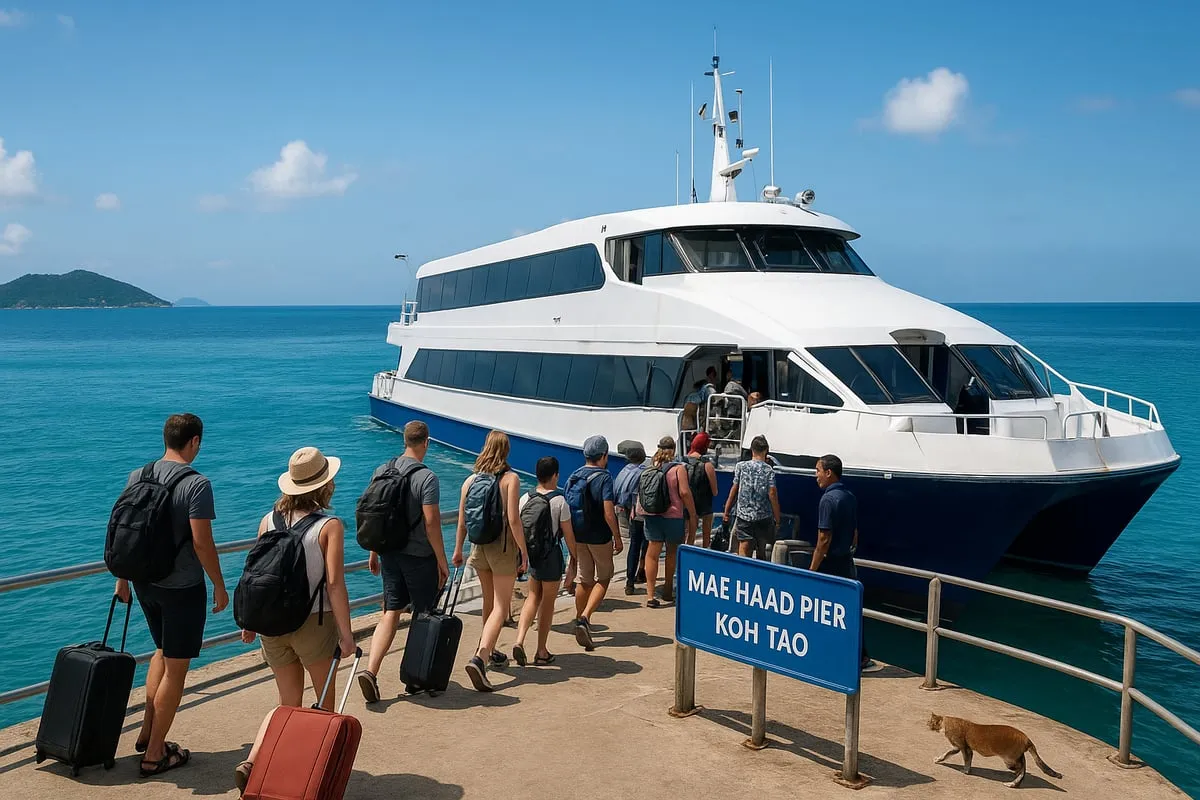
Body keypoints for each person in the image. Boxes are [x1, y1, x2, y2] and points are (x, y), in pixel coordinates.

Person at [114, 413, 227, 779]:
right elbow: (201, 542)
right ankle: (155, 754)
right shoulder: (197, 484)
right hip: (181, 588)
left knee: (160, 651)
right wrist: (219, 585)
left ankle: (148, 732)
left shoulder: (138, 475)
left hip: (145, 583)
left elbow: (123, 531)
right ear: (193, 441)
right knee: (177, 669)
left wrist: (122, 579)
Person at [236, 446, 356, 791]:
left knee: (287, 703)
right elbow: (334, 583)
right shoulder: (329, 526)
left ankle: (255, 760)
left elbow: (254, 575)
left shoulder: (267, 520)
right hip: (314, 624)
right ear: (325, 485)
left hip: (271, 625)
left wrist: (250, 622)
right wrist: (346, 636)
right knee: (324, 706)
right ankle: (310, 779)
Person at [357, 421, 448, 703]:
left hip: (388, 553)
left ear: (404, 439)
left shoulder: (382, 470)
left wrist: (374, 551)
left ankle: (371, 671)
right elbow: (431, 522)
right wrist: (442, 562)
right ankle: (415, 678)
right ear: (426, 442)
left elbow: (375, 514)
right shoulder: (427, 477)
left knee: (391, 611)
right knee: (423, 615)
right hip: (419, 556)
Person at [453, 431, 526, 692]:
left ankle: (490, 648)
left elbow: (462, 520)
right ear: (506, 451)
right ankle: (480, 658)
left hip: (478, 547)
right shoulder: (510, 479)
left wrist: (458, 550)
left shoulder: (470, 480)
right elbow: (514, 520)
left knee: (488, 601)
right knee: (501, 606)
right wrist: (523, 551)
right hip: (502, 548)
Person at [811, 454, 881, 674]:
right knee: (849, 610)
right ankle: (860, 656)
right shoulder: (849, 497)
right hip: (846, 563)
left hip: (829, 564)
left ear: (829, 472)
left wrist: (812, 569)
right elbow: (855, 534)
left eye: (818, 471)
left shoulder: (827, 500)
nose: (816, 476)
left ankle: (825, 656)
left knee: (822, 611)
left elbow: (823, 539)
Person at [512, 456, 577, 666]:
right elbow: (568, 536)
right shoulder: (559, 501)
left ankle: (519, 640)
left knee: (532, 596)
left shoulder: (525, 498)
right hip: (551, 557)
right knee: (547, 603)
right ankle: (541, 651)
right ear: (555, 475)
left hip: (531, 556)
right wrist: (574, 560)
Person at [565, 435, 622, 650]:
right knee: (605, 577)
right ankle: (585, 618)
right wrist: (617, 537)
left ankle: (578, 618)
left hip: (578, 534)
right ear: (604, 455)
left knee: (584, 580)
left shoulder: (574, 476)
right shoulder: (605, 478)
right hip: (599, 535)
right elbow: (609, 512)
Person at [639, 436, 696, 608]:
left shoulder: (649, 467)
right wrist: (692, 513)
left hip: (651, 514)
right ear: (674, 449)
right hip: (673, 516)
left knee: (652, 553)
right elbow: (684, 492)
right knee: (671, 553)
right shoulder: (678, 469)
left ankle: (650, 595)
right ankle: (667, 590)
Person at [722, 435, 780, 561]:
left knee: (744, 547)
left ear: (752, 450)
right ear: (766, 451)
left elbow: (734, 489)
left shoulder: (741, 466)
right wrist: (777, 518)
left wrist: (726, 510)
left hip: (744, 515)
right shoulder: (769, 470)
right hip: (763, 516)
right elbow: (772, 494)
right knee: (761, 549)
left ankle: (743, 575)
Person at [614, 441, 648, 596]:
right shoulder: (643, 472)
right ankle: (640, 570)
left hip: (626, 511)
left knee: (634, 545)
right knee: (644, 543)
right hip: (640, 512)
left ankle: (630, 581)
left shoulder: (623, 471)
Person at [685, 432, 718, 548]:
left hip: (687, 505)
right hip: (704, 506)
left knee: (689, 536)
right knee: (706, 536)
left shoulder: (683, 463)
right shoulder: (707, 465)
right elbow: (715, 492)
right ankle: (705, 557)